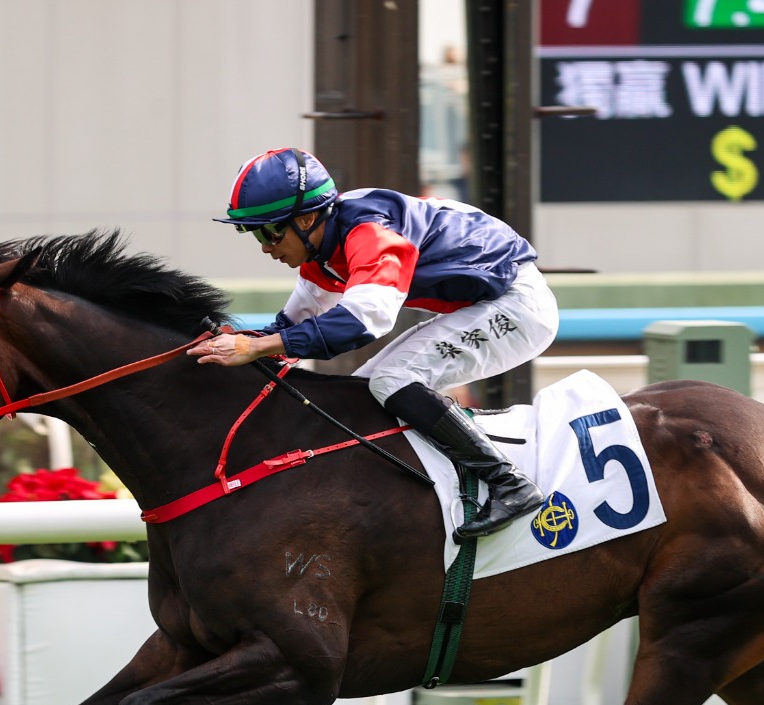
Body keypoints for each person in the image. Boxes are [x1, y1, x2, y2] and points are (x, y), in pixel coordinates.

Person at [189, 147, 558, 541]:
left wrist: (257, 348)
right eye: (255, 234)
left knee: (392, 380)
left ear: (308, 218)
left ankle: (509, 483)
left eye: (269, 231)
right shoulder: (322, 249)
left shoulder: (369, 232)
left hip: (516, 305)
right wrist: (241, 341)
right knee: (363, 394)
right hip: (482, 303)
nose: (265, 246)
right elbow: (293, 327)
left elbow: (363, 321)